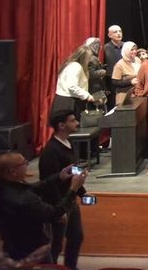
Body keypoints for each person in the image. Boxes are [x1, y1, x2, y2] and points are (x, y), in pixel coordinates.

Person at [0, 151, 86, 263]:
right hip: (32, 251)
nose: (27, 165)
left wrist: (59, 177)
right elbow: (54, 214)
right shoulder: (24, 200)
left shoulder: (3, 186)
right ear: (12, 171)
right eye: (24, 163)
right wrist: (73, 189)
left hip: (11, 245)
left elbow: (32, 188)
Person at [37, 110, 86, 270]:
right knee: (56, 244)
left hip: (70, 200)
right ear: (61, 125)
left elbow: (73, 173)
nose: (77, 123)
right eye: (72, 121)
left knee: (76, 237)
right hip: (58, 204)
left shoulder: (68, 143)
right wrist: (60, 210)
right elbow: (48, 183)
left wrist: (83, 193)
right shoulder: (51, 151)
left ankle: (70, 267)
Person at [53, 45, 96, 122]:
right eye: (89, 58)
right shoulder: (75, 67)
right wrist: (87, 96)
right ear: (84, 58)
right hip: (69, 102)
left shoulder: (70, 64)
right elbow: (72, 86)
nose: (90, 60)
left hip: (65, 100)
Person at [111, 41, 141, 106]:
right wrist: (130, 82)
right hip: (124, 97)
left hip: (137, 94)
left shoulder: (137, 60)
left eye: (135, 49)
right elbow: (115, 82)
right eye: (132, 50)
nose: (134, 51)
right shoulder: (119, 64)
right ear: (126, 50)